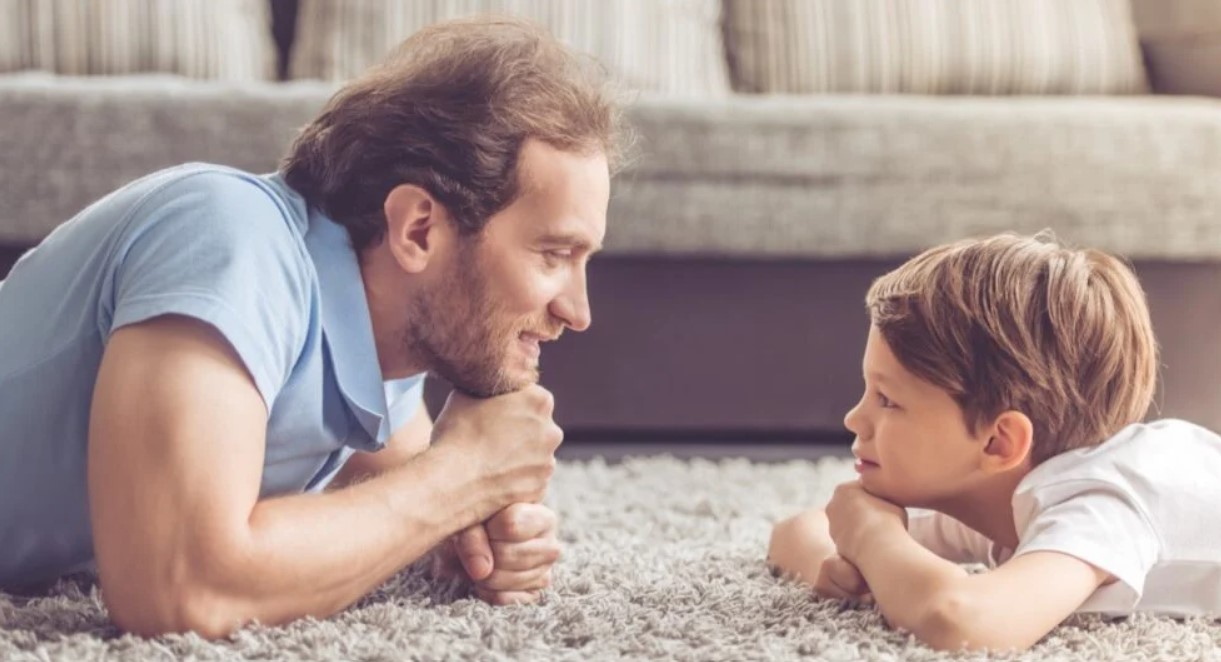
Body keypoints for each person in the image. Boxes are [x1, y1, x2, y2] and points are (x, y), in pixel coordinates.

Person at [0, 16, 625, 638]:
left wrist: (473, 533)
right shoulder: (228, 239)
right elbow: (178, 588)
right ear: (419, 230)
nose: (579, 310)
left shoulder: (387, 349)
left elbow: (408, 500)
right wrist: (463, 477)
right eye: (553, 255)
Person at [768, 233, 1221, 651]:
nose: (854, 418)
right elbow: (794, 532)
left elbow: (961, 622)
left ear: (997, 444)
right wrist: (838, 564)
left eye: (887, 400)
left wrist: (871, 537)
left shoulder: (1098, 505)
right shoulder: (994, 493)